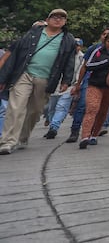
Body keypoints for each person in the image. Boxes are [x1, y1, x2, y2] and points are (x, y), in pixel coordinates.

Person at [0, 9, 77, 155]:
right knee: (16, 107)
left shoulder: (68, 39)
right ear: (47, 19)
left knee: (35, 111)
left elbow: (69, 61)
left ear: (65, 22)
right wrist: (3, 78)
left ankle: (22, 136)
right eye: (55, 16)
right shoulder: (33, 33)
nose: (58, 19)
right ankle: (7, 141)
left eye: (62, 17)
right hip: (24, 74)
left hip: (46, 78)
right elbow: (15, 54)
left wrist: (66, 80)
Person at [74, 29, 109, 149]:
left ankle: (94, 135)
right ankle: (85, 136)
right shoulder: (97, 51)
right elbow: (88, 66)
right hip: (95, 84)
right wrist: (107, 62)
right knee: (92, 108)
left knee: (103, 111)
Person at [43, 39, 86, 140]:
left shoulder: (82, 58)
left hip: (70, 85)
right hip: (55, 85)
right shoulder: (59, 54)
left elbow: (80, 72)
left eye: (78, 46)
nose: (76, 47)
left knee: (62, 107)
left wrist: (77, 84)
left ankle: (54, 127)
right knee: (51, 108)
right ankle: (51, 124)